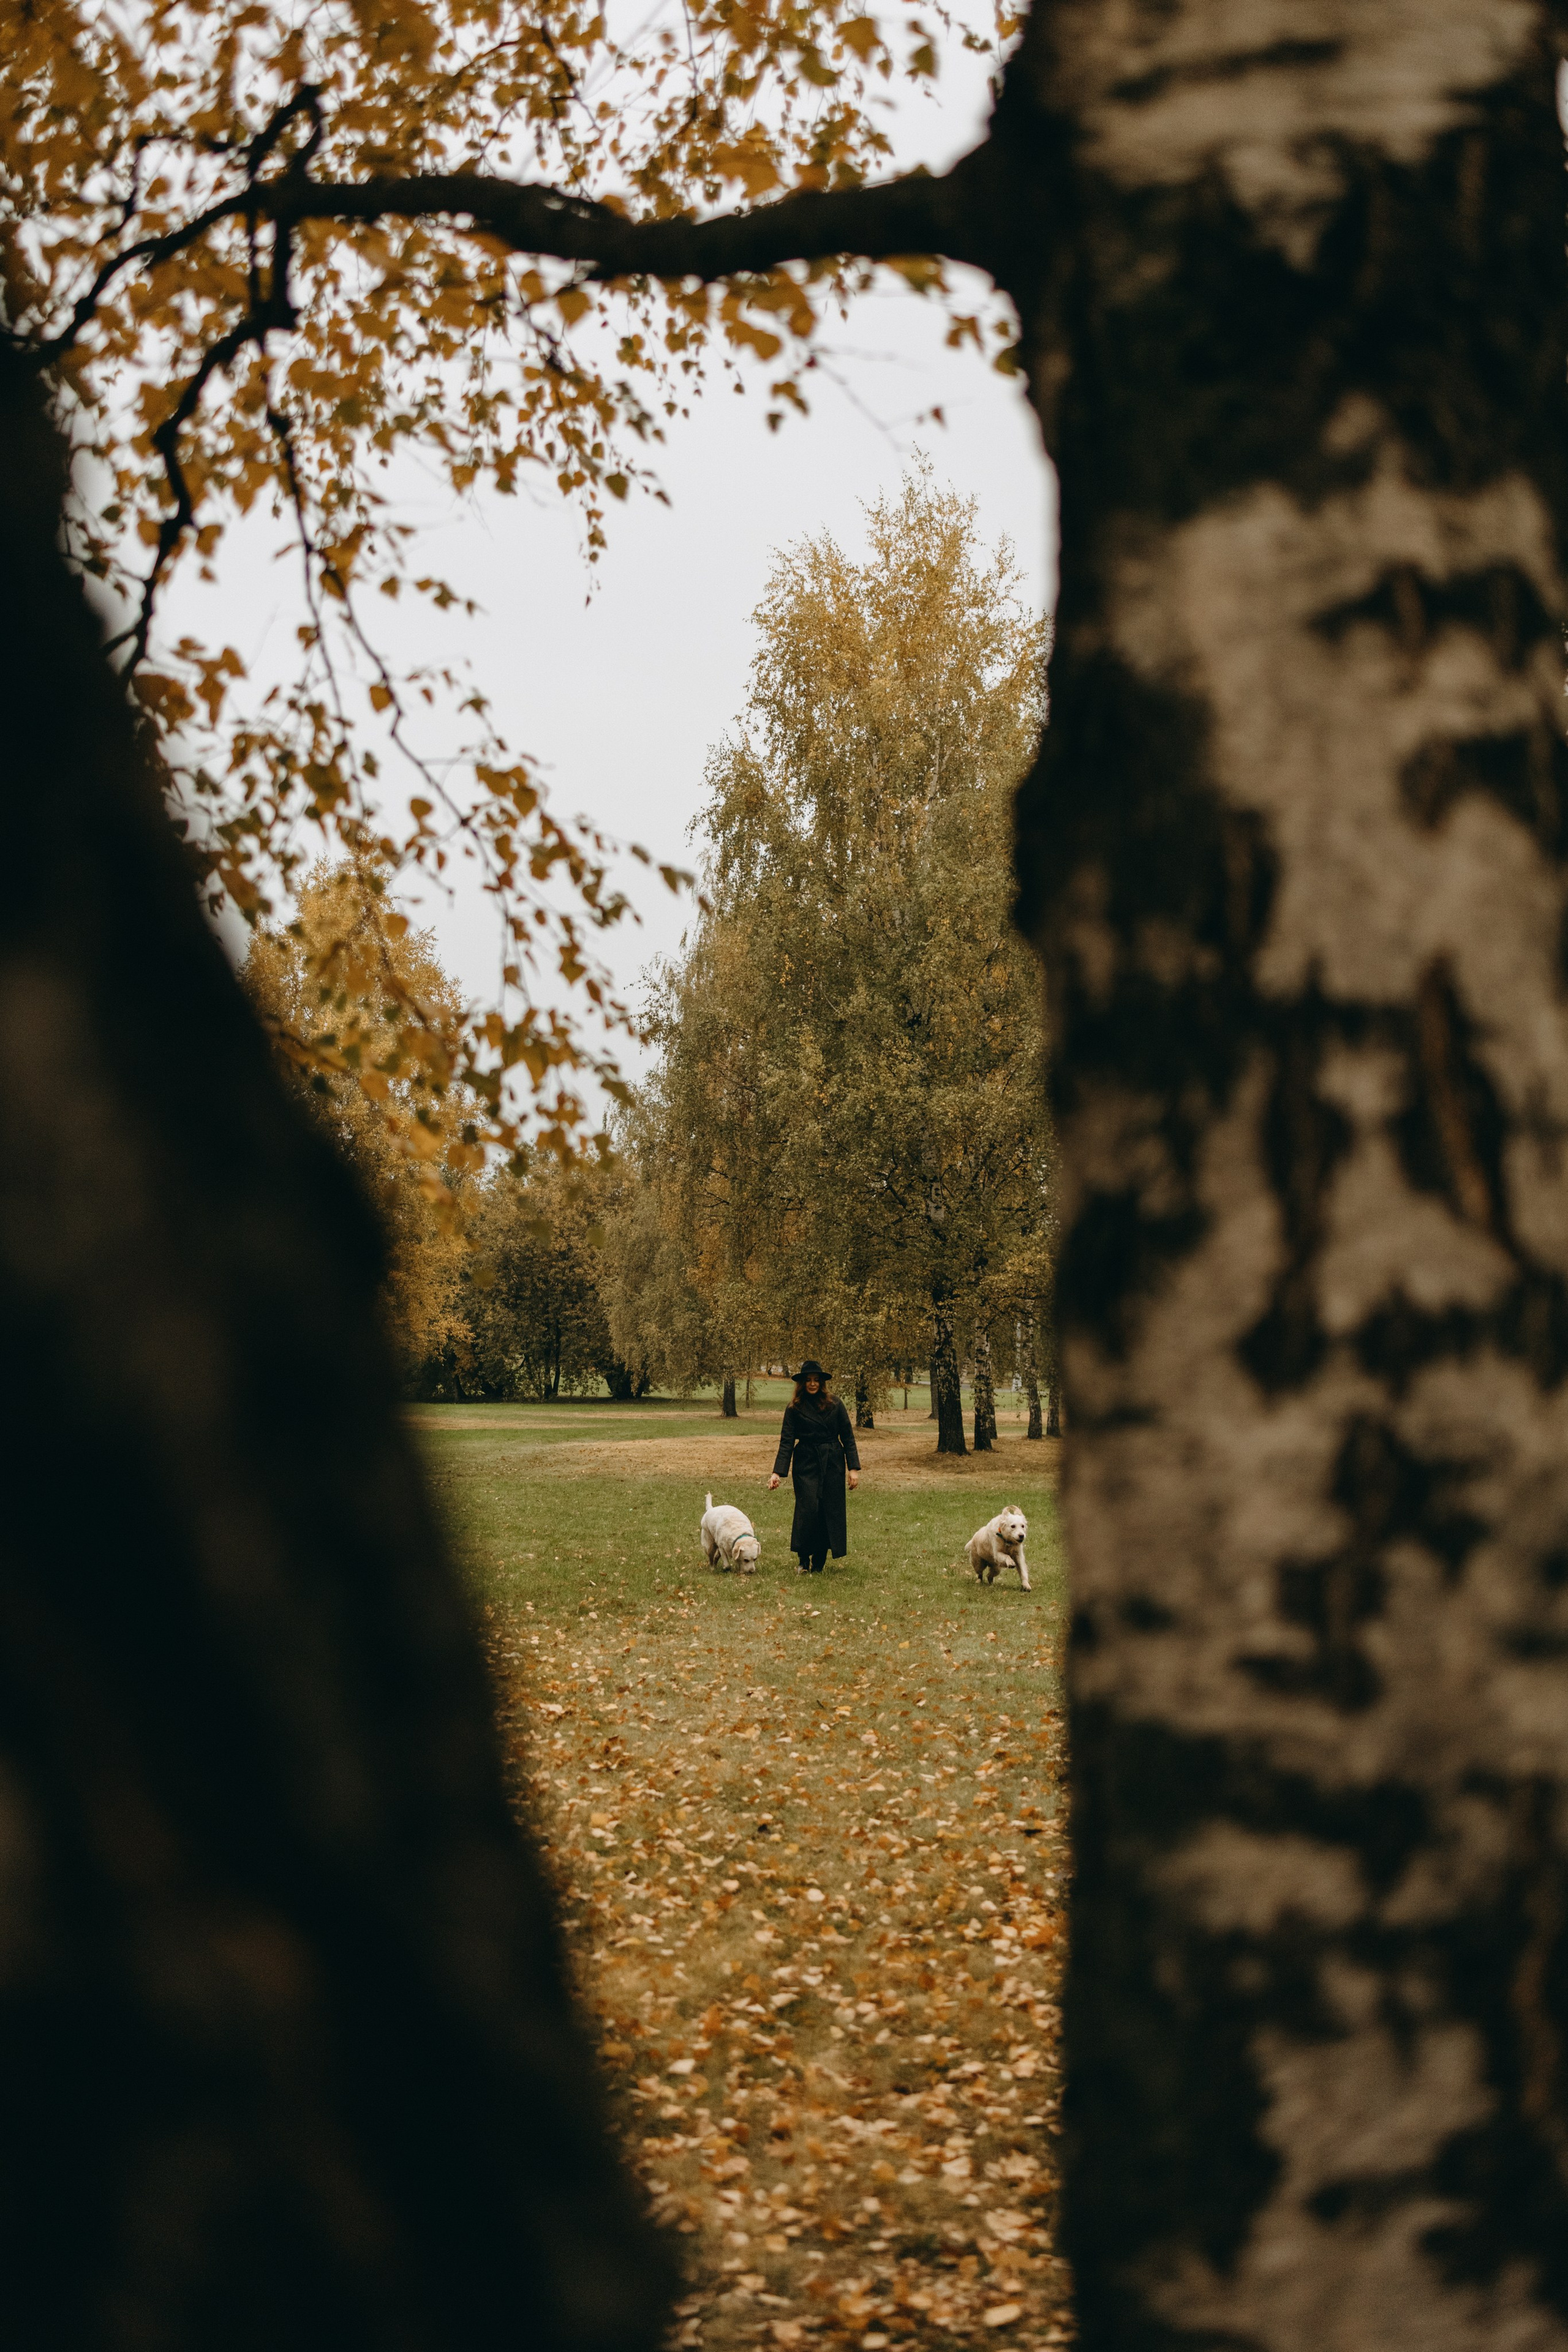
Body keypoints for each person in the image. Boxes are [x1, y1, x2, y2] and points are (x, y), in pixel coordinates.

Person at [768, 1360, 860, 1574]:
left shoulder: (835, 1404)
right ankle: (803, 1559)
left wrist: (853, 1469)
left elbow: (848, 1436)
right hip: (806, 1462)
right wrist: (777, 1473)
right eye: (808, 1380)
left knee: (827, 1511)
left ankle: (819, 1561)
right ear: (802, 1383)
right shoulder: (794, 1408)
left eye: (816, 1380)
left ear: (822, 1382)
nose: (812, 1384)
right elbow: (786, 1441)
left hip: (833, 1462)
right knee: (808, 1509)